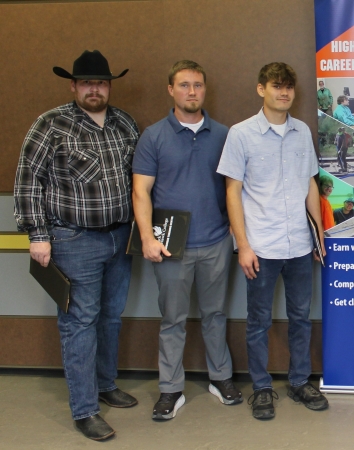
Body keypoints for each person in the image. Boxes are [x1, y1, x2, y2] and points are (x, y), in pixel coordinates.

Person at [13, 50, 139, 440]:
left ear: (109, 85)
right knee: (80, 323)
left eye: (100, 82)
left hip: (120, 237)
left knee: (110, 317)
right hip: (72, 238)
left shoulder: (124, 123)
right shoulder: (50, 125)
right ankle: (85, 409)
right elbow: (28, 181)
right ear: (73, 86)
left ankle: (105, 385)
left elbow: (141, 179)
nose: (94, 89)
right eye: (87, 82)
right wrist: (37, 235)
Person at [217, 62, 328, 421]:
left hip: (299, 243)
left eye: (289, 87)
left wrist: (318, 233)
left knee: (300, 317)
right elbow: (232, 191)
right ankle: (262, 387)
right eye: (276, 86)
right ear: (261, 89)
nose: (284, 92)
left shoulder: (302, 132)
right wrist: (243, 245)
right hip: (261, 246)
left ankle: (299, 381)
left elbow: (310, 183)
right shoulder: (241, 134)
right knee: (258, 321)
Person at [132, 60, 240, 421]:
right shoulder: (153, 136)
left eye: (197, 85)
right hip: (170, 248)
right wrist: (147, 237)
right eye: (184, 85)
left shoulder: (224, 135)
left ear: (204, 90)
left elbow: (235, 189)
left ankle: (220, 378)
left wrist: (234, 232)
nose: (191, 92)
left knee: (215, 315)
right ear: (171, 90)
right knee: (173, 320)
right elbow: (141, 191)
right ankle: (170, 390)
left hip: (215, 243)